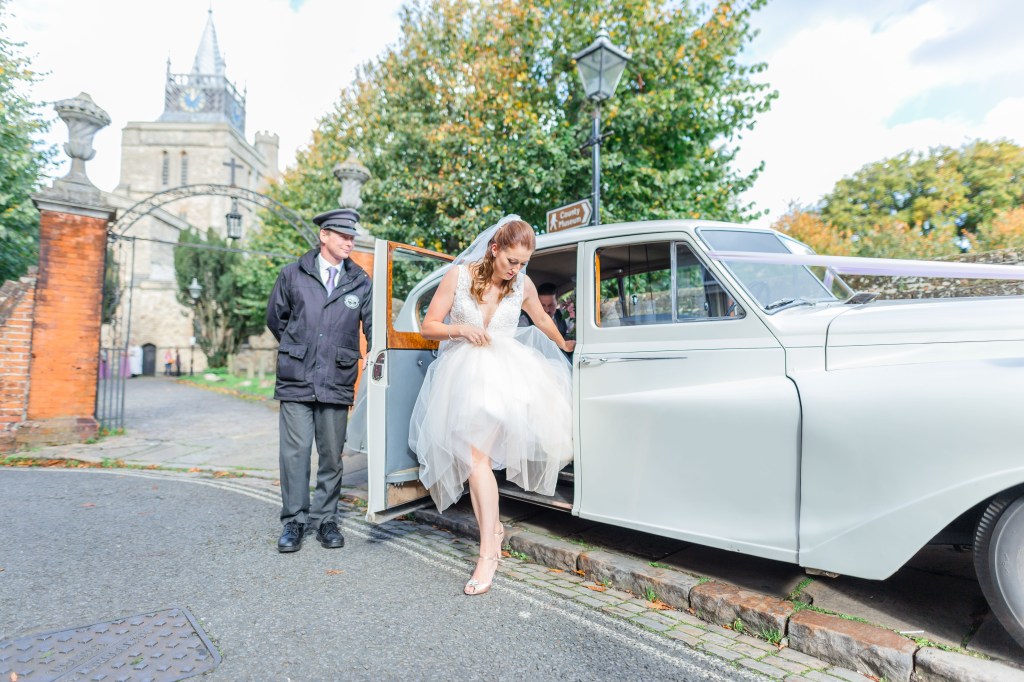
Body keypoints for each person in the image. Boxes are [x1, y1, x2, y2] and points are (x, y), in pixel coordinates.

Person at [409, 215, 574, 595]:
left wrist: (565, 345)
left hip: (508, 379)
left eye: (523, 263)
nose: (516, 269)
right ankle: (493, 533)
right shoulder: (459, 276)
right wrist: (460, 328)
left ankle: (488, 555)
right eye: (511, 261)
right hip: (464, 374)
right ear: (494, 249)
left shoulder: (523, 285)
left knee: (478, 460)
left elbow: (542, 321)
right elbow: (429, 326)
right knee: (474, 461)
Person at [266, 207, 372, 553]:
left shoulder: (360, 280)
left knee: (330, 456)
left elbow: (371, 327)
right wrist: (300, 347)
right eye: (342, 235)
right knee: (295, 454)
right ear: (323, 235)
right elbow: (276, 319)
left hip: (337, 380)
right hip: (297, 378)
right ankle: (294, 521)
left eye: (352, 236)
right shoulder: (291, 274)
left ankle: (326, 519)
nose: (349, 241)